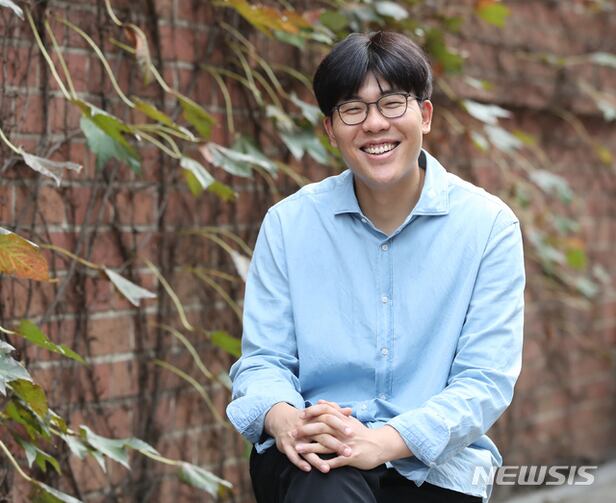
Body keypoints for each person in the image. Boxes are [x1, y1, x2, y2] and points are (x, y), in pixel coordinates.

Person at [226, 31, 525, 503]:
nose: (374, 123)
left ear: (425, 115)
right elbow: (264, 361)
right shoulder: (288, 224)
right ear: (330, 130)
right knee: (324, 480)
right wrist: (288, 419)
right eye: (352, 109)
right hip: (315, 453)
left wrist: (381, 443)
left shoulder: (488, 226)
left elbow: (484, 380)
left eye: (391, 103)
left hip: (436, 468)